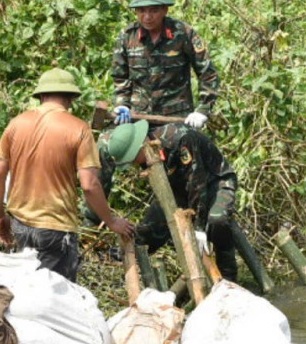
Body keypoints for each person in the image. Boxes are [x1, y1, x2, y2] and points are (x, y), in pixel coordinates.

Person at [0, 68, 132, 282]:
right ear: (71, 98)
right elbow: (90, 185)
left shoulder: (16, 124)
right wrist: (111, 221)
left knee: (22, 291)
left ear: (42, 96)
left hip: (20, 224)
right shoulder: (79, 129)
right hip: (56, 230)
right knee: (57, 302)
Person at [100, 118, 241, 279]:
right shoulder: (150, 151)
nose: (134, 165)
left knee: (217, 220)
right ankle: (120, 258)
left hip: (216, 181)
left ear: (140, 146)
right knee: (149, 228)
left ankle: (229, 277)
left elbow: (197, 183)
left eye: (133, 160)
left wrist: (198, 227)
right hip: (179, 188)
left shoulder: (181, 139)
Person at [110, 0, 219, 130]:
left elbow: (208, 73)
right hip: (138, 117)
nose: (147, 17)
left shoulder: (183, 34)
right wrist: (122, 104)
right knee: (109, 145)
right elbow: (120, 77)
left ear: (165, 10)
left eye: (153, 11)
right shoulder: (127, 37)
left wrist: (202, 110)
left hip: (177, 118)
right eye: (141, 11)